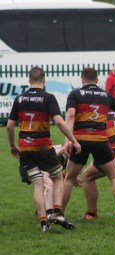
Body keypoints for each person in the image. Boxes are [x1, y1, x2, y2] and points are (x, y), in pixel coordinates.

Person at [6, 66, 81, 232]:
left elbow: (10, 125)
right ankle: (57, 213)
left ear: (29, 80)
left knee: (38, 184)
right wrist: (73, 141)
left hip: (25, 148)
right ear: (44, 79)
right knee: (58, 178)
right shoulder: (48, 97)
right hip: (42, 146)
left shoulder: (20, 98)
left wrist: (12, 146)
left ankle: (43, 223)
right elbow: (60, 122)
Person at [63, 67, 115, 224]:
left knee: (69, 179)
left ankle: (59, 213)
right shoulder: (106, 95)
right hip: (100, 141)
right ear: (97, 80)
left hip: (80, 141)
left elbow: (70, 116)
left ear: (82, 79)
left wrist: (68, 140)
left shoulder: (75, 94)